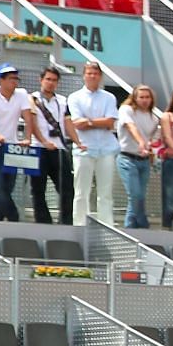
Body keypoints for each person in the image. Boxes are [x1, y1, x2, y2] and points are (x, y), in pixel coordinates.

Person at [0, 63, 47, 223]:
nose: (14, 82)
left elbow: (28, 117)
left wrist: (27, 137)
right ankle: (14, 217)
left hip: (11, 145)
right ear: (0, 80)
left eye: (16, 78)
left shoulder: (22, 94)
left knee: (8, 186)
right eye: (11, 78)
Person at [64, 60, 119, 229]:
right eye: (89, 73)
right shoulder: (74, 97)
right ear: (84, 75)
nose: (92, 76)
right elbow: (77, 123)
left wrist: (88, 122)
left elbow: (110, 122)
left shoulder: (109, 97)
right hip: (83, 148)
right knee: (81, 191)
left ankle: (106, 225)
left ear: (100, 76)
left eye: (95, 73)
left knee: (105, 192)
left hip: (106, 148)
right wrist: (98, 122)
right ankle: (80, 224)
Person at [28, 66, 73, 227]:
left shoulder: (62, 100)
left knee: (66, 188)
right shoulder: (31, 98)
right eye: (48, 79)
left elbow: (68, 122)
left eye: (54, 80)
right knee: (38, 189)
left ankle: (65, 222)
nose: (51, 83)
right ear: (41, 80)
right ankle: (43, 222)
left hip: (59, 148)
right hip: (38, 147)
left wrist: (77, 141)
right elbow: (31, 123)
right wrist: (43, 141)